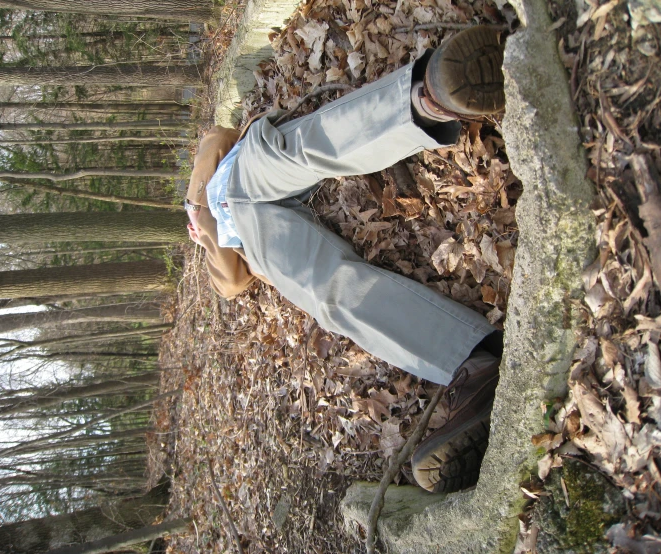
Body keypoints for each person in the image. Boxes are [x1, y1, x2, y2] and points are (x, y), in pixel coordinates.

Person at [185, 25, 505, 493]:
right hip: (255, 240)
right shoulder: (210, 249)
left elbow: (219, 137)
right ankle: (473, 362)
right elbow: (232, 284)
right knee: (328, 293)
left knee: (304, 151)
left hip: (245, 177)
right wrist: (208, 239)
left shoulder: (197, 192)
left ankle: (431, 96)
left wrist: (198, 206)